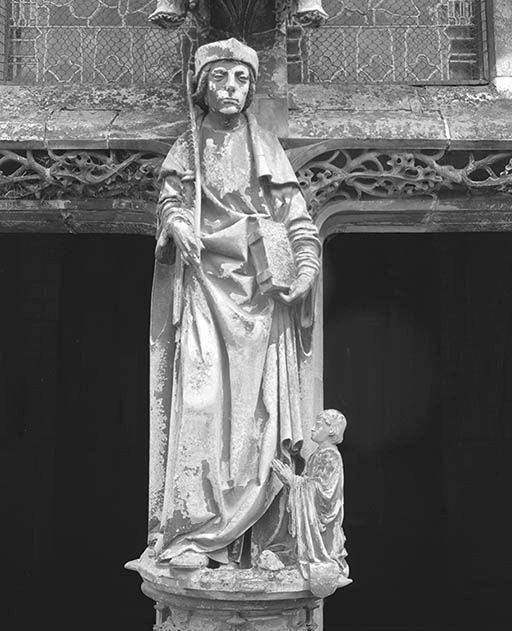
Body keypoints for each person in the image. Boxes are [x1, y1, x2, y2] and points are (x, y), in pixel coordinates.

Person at [147, 38, 321, 569]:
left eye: (241, 79)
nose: (231, 88)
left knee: (258, 419)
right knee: (201, 405)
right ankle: (195, 532)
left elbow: (298, 224)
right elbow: (172, 200)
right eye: (220, 78)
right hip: (205, 284)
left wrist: (305, 270)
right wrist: (178, 223)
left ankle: (260, 540)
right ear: (202, 87)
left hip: (262, 296)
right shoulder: (189, 146)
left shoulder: (265, 145)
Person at [272, 409, 350, 596]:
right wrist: (292, 482)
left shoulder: (330, 455)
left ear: (332, 431)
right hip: (318, 518)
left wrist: (292, 480)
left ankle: (324, 564)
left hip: (324, 523)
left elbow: (324, 493)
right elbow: (309, 483)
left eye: (319, 425)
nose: (313, 428)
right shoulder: (318, 454)